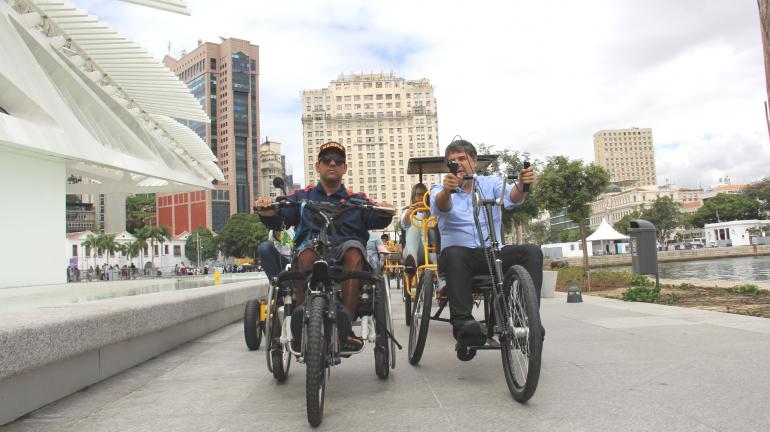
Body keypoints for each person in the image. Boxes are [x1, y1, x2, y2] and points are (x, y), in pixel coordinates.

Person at [255, 141, 394, 350]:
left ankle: (344, 331)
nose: (332, 164)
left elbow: (379, 219)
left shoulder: (357, 199)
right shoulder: (301, 197)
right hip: (312, 249)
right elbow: (281, 218)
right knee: (306, 254)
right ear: (317, 166)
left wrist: (383, 210)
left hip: (346, 253)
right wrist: (267, 212)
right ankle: (303, 325)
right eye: (326, 160)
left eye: (338, 161)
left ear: (344, 168)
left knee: (354, 250)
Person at [430, 139, 543, 347]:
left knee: (532, 251)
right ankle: (464, 324)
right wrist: (448, 191)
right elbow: (441, 205)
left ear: (474, 161)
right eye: (453, 161)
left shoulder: (491, 183)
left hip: (493, 252)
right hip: (460, 257)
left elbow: (513, 197)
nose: (459, 163)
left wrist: (523, 184)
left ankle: (527, 317)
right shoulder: (440, 187)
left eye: (462, 158)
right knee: (455, 253)